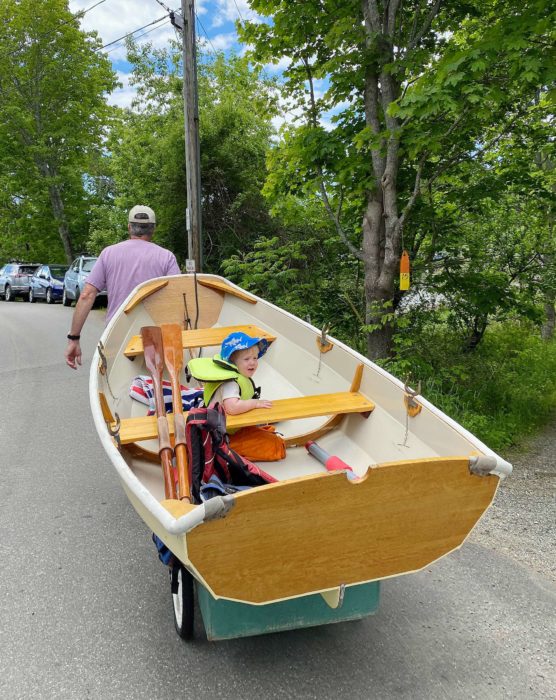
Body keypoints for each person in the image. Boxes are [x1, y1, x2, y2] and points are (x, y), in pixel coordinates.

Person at [65, 205, 180, 370]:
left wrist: (73, 338)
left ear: (129, 227)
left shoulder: (108, 254)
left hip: (117, 334)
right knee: (153, 384)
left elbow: (87, 295)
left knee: (116, 381)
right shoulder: (166, 257)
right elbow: (177, 299)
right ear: (153, 229)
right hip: (155, 336)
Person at [188, 332, 273, 414]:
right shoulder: (231, 383)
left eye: (255, 358)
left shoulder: (239, 375)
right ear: (232, 362)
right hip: (216, 421)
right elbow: (232, 408)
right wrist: (255, 403)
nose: (252, 362)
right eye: (246, 359)